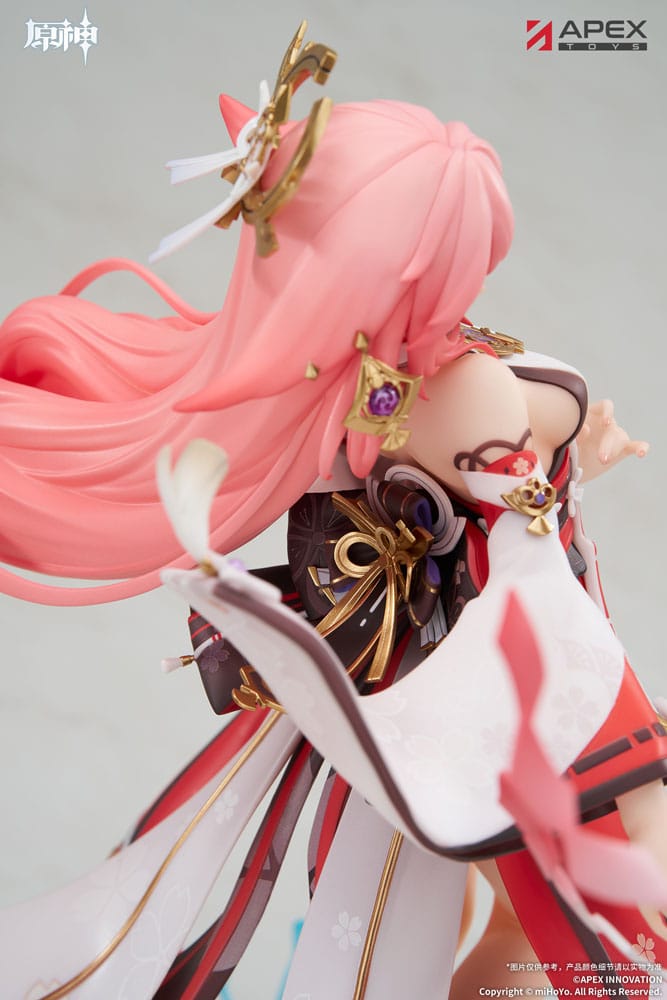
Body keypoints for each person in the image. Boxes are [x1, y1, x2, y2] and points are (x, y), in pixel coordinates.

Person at [0, 21, 665, 1000]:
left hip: (446, 675)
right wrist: (636, 776)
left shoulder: (358, 382)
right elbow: (536, 554)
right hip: (500, 681)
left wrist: (563, 463)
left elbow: (510, 487)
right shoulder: (455, 394)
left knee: (495, 925)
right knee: (569, 925)